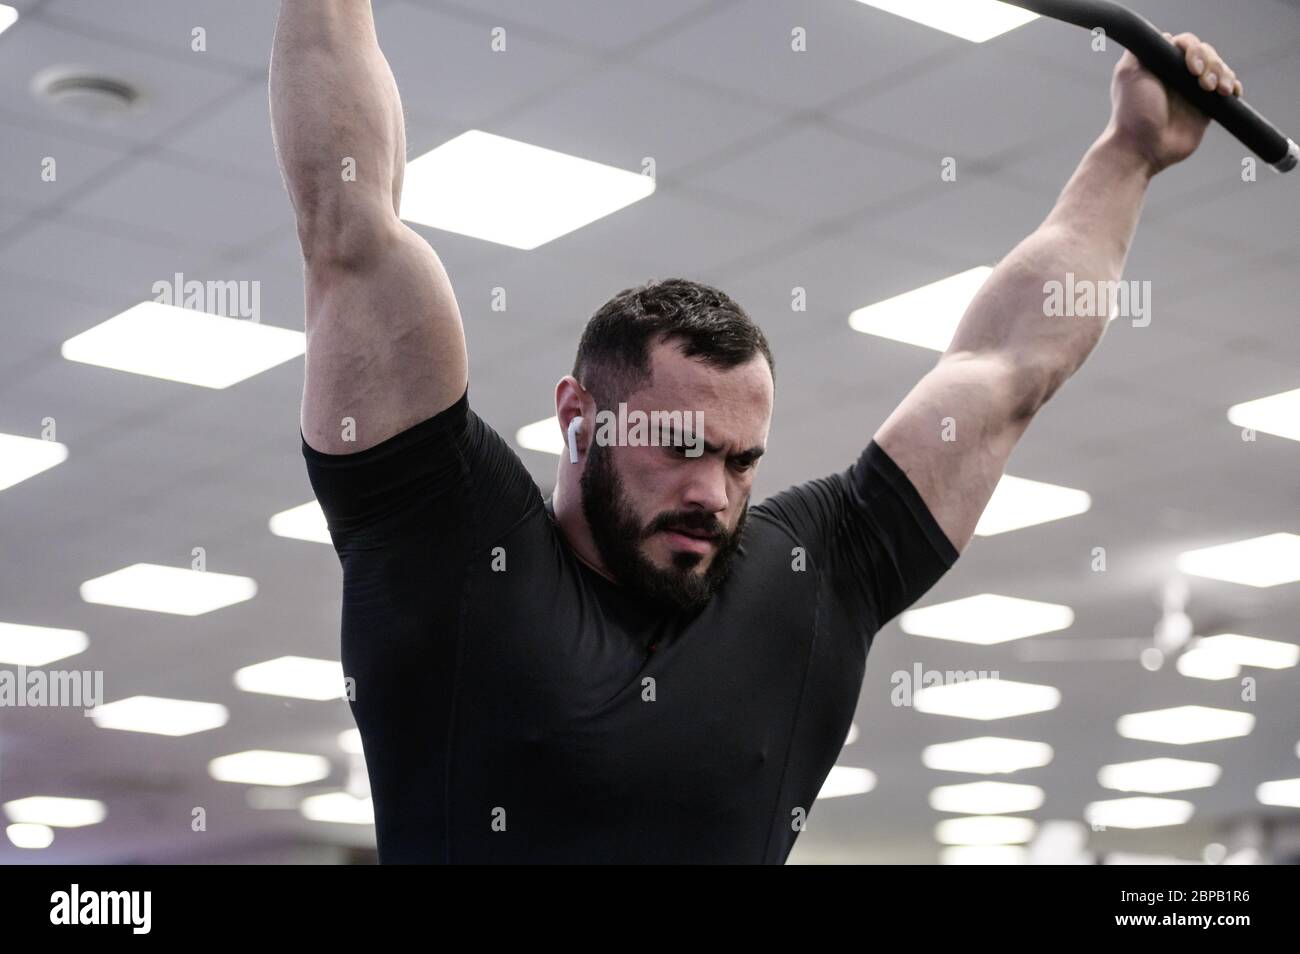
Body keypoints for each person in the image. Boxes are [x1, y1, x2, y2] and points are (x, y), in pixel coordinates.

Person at [269, 0, 1243, 863]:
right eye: (680, 447)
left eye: (742, 461)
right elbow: (349, 232)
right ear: (577, 419)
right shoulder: (448, 546)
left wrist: (1129, 154)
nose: (714, 494)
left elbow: (1005, 371)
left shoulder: (805, 586)